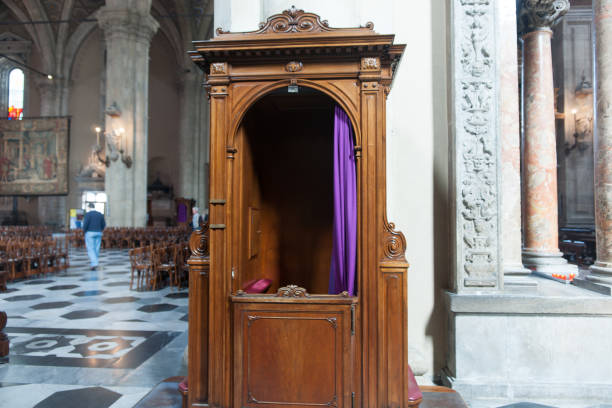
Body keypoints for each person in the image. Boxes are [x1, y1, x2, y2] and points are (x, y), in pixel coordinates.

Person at [82, 203, 105, 270]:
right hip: (99, 232)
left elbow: (85, 224)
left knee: (91, 249)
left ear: (89, 207)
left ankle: (94, 263)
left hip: (90, 233)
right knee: (96, 248)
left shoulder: (88, 214)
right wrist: (100, 229)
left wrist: (84, 231)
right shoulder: (100, 214)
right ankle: (94, 263)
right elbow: (103, 224)